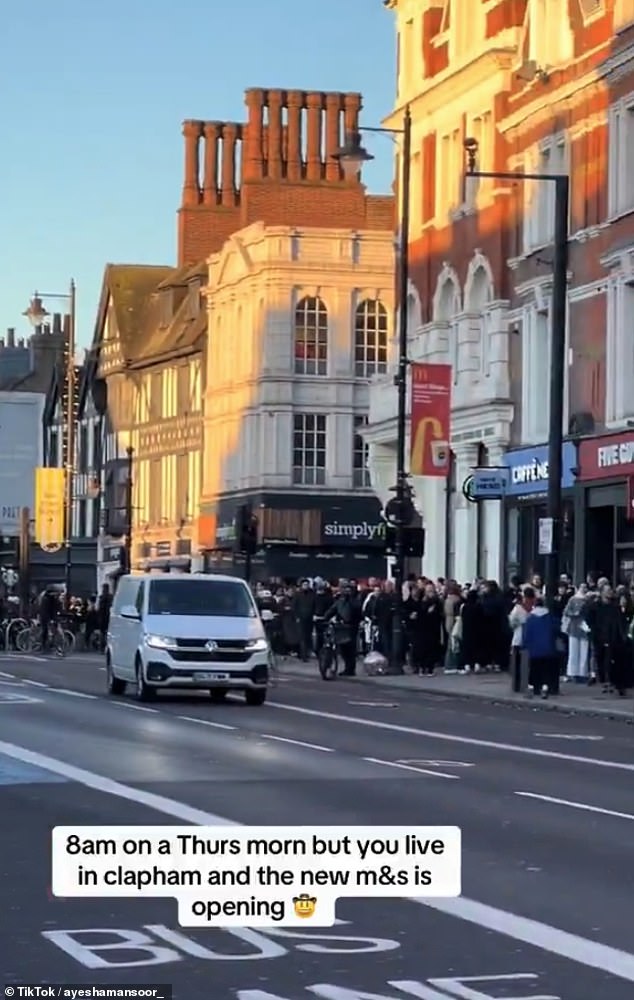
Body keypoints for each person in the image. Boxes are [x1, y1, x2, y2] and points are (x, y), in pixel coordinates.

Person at [522, 596, 559, 698]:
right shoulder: (550, 617)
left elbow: (526, 635)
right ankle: (545, 688)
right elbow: (556, 630)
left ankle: (531, 688)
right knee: (546, 670)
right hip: (548, 648)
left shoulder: (530, 619)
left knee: (534, 669)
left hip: (534, 649)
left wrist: (525, 645)